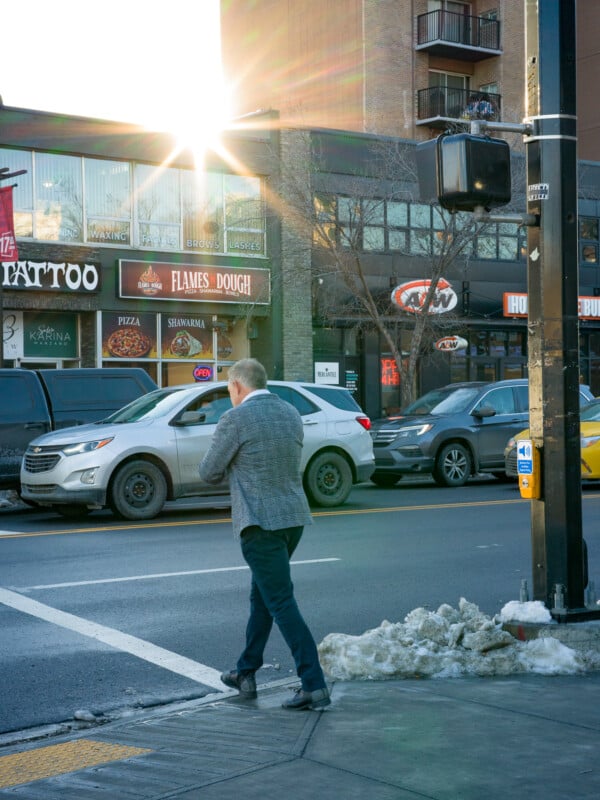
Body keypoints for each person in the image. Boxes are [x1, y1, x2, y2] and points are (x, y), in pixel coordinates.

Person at [198, 358, 330, 711]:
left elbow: (209, 472)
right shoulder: (290, 413)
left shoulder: (235, 418)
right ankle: (246, 672)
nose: (230, 396)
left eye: (229, 389)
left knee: (281, 602)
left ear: (238, 386)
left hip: (259, 523)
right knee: (264, 598)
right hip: (292, 520)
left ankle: (313, 684)